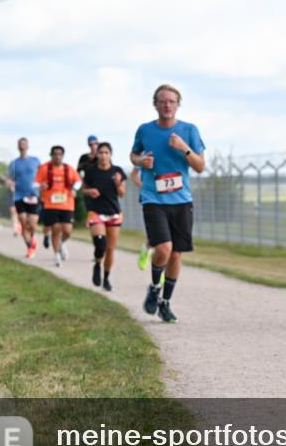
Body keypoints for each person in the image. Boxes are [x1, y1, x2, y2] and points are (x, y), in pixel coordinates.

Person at [129, 83, 206, 323]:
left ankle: (165, 302)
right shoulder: (145, 130)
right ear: (155, 104)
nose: (167, 105)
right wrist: (141, 161)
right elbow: (133, 155)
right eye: (162, 101)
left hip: (181, 200)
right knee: (163, 248)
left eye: (172, 101)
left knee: (175, 256)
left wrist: (185, 149)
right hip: (154, 198)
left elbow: (200, 166)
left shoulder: (189, 130)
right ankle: (154, 287)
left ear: (178, 105)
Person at [82, 142, 127, 291]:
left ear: (111, 154)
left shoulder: (117, 171)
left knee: (110, 249)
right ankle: (97, 264)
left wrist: (118, 183)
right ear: (97, 155)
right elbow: (84, 190)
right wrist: (90, 192)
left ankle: (106, 278)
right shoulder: (91, 171)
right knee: (100, 243)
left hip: (113, 213)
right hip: (96, 212)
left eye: (106, 152)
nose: (103, 155)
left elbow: (122, 193)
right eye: (101, 152)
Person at [36, 145, 81, 267]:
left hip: (67, 203)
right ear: (51, 155)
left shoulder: (68, 168)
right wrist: (41, 187)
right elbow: (35, 183)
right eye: (55, 154)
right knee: (55, 228)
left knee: (67, 230)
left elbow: (78, 181)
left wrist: (74, 189)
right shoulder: (44, 168)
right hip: (50, 204)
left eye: (60, 154)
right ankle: (56, 255)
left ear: (63, 155)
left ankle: (62, 243)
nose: (57, 156)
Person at [8, 138, 42, 258]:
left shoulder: (35, 161)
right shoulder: (14, 164)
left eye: (24, 144)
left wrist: (42, 187)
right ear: (18, 147)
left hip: (33, 195)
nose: (22, 146)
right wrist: (10, 183)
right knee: (23, 220)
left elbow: (41, 175)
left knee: (32, 224)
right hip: (19, 195)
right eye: (20, 144)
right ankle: (30, 247)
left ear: (28, 145)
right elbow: (10, 178)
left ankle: (32, 237)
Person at [130, 166, 156, 272]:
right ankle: (146, 249)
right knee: (158, 240)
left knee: (169, 242)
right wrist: (145, 188)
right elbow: (134, 175)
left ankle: (162, 273)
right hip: (153, 201)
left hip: (173, 200)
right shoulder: (147, 152)